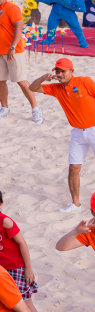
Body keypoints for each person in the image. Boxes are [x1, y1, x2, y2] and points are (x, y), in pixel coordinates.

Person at [29, 58, 95, 211]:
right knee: (73, 168)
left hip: (94, 128)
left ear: (72, 71)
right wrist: (44, 78)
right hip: (78, 133)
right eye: (57, 71)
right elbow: (33, 87)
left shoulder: (84, 81)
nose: (59, 74)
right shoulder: (56, 88)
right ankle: (76, 204)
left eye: (63, 71)